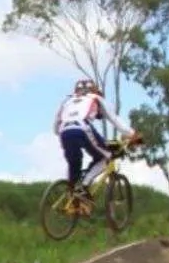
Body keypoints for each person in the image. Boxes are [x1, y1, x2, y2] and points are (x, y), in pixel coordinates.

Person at [52, 79, 140, 212]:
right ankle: (84, 186)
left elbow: (55, 125)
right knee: (106, 157)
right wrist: (133, 135)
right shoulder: (95, 97)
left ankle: (75, 197)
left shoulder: (67, 100)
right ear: (94, 90)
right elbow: (114, 119)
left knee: (75, 163)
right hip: (82, 128)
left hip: (64, 132)